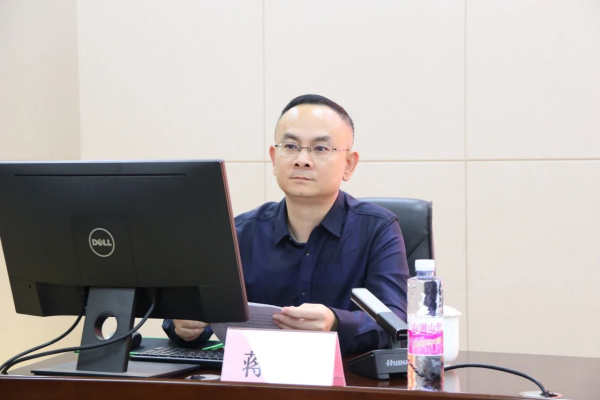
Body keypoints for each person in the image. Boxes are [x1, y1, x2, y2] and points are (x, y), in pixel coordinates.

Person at [163, 94, 409, 355]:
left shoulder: (378, 229)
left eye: (320, 148)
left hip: (346, 377)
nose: (302, 159)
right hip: (255, 376)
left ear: (348, 164)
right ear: (274, 158)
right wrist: (184, 325)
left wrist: (336, 322)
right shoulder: (240, 233)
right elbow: (193, 314)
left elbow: (395, 323)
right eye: (290, 146)